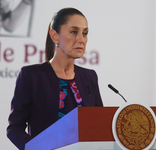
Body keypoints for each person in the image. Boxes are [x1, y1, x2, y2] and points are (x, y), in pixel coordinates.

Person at [6, 7, 103, 150]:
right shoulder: (32, 75)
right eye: (74, 32)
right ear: (54, 35)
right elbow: (14, 128)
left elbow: (99, 125)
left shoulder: (89, 77)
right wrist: (36, 147)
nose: (81, 39)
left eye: (85, 33)